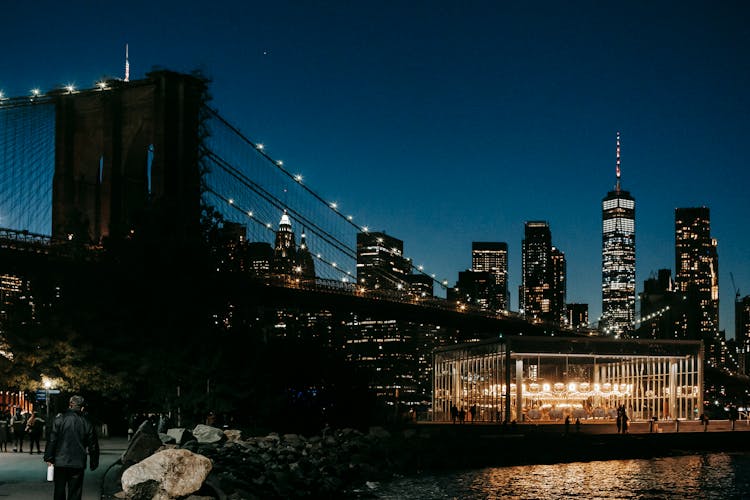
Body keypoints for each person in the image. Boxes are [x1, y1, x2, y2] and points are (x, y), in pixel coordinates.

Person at [43, 395, 100, 500]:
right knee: (75, 491)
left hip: (60, 460)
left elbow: (52, 439)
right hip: (77, 461)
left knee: (59, 490)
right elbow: (93, 444)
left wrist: (49, 457)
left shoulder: (59, 419)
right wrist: (94, 461)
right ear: (82, 408)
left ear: (70, 405)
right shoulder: (86, 422)